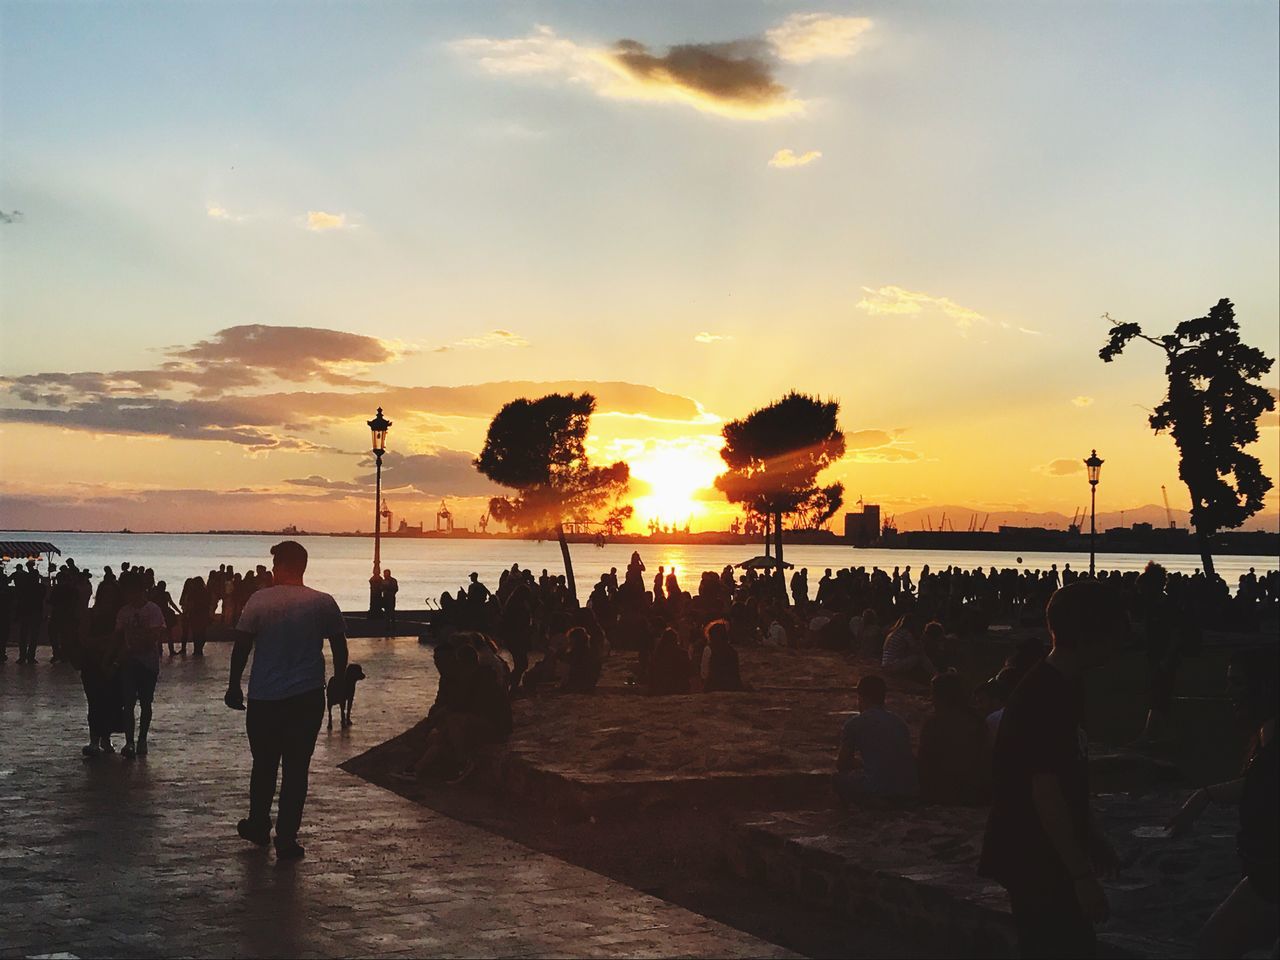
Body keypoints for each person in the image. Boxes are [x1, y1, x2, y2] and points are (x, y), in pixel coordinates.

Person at [978, 580, 1126, 959]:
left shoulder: (1067, 685)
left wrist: (1091, 834)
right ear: (1091, 634)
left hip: (1048, 851)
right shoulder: (1044, 694)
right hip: (1034, 854)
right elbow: (1044, 790)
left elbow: (1069, 773)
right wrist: (1081, 875)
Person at [225, 541, 349, 860]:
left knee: (263, 764)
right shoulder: (323, 602)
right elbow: (339, 644)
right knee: (296, 769)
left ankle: (258, 823)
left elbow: (242, 645)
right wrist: (338, 677)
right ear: (304, 567)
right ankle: (287, 837)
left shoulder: (259, 600)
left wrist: (233, 685)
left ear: (280, 567)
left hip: (265, 696)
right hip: (306, 697)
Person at [1167, 648, 1278, 958]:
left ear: (1264, 687)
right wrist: (1204, 797)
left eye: (1238, 683)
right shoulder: (1267, 735)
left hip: (1270, 878)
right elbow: (1260, 782)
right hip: (1263, 874)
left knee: (1211, 948)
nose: (1229, 691)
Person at [833, 674, 918, 805]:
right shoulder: (899, 722)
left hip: (878, 787)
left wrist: (860, 765)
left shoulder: (854, 723)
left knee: (837, 780)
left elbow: (842, 764)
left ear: (861, 697)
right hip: (908, 788)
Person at [918, 671, 990, 805]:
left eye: (933, 694)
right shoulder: (978, 720)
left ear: (942, 697)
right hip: (976, 792)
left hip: (946, 793)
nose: (930, 699)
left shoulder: (935, 724)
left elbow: (924, 763)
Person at [114, 577, 166, 759]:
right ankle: (129, 741)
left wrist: (131, 649)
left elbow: (154, 636)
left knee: (145, 702)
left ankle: (142, 738)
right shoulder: (124, 611)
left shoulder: (153, 610)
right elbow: (118, 635)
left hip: (147, 663)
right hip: (129, 663)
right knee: (128, 703)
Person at [700, 619, 743, 693]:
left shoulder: (709, 649)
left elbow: (704, 673)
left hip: (713, 687)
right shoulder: (732, 651)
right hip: (732, 687)